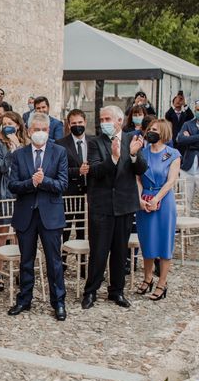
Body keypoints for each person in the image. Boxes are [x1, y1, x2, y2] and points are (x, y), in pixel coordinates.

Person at [82, 105, 147, 310]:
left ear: (119, 121)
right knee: (98, 252)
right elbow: (95, 171)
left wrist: (134, 155)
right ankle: (90, 291)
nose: (104, 123)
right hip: (101, 206)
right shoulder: (95, 142)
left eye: (107, 119)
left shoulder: (132, 140)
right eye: (101, 119)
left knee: (120, 252)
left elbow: (141, 168)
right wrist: (114, 158)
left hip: (124, 205)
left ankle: (116, 291)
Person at [7, 112, 69, 321]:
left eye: (43, 130)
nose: (40, 133)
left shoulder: (59, 152)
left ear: (48, 131)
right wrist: (31, 183)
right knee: (26, 260)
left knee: (54, 261)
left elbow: (62, 184)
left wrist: (43, 181)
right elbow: (12, 185)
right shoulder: (19, 154)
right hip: (26, 214)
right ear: (28, 131)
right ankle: (24, 299)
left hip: (51, 214)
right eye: (36, 130)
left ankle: (58, 302)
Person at [135, 119, 180, 301]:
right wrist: (139, 199)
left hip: (163, 201)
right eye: (149, 129)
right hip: (144, 200)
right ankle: (147, 278)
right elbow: (137, 179)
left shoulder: (172, 154)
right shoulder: (142, 153)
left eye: (154, 129)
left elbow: (171, 181)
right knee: (147, 241)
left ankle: (162, 282)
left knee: (164, 241)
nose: (150, 132)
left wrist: (156, 199)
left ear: (163, 133)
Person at [0, 111, 27, 290]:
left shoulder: (26, 143)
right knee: (3, 232)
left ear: (18, 125)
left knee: (22, 231)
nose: (7, 126)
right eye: (4, 124)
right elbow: (2, 167)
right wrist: (12, 151)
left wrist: (19, 147)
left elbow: (28, 167)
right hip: (4, 191)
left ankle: (21, 270)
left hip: (22, 191)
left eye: (10, 123)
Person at [56, 109, 92, 273]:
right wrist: (78, 171)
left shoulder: (93, 142)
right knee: (65, 228)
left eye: (80, 123)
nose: (77, 126)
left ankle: (83, 265)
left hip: (88, 193)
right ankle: (61, 262)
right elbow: (58, 170)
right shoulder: (60, 144)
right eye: (74, 123)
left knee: (83, 229)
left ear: (85, 122)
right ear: (69, 125)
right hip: (68, 193)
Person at [177, 100, 199, 215]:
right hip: (188, 167)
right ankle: (186, 226)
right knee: (187, 200)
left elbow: (187, 140)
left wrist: (191, 138)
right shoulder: (188, 124)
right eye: (198, 109)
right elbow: (181, 140)